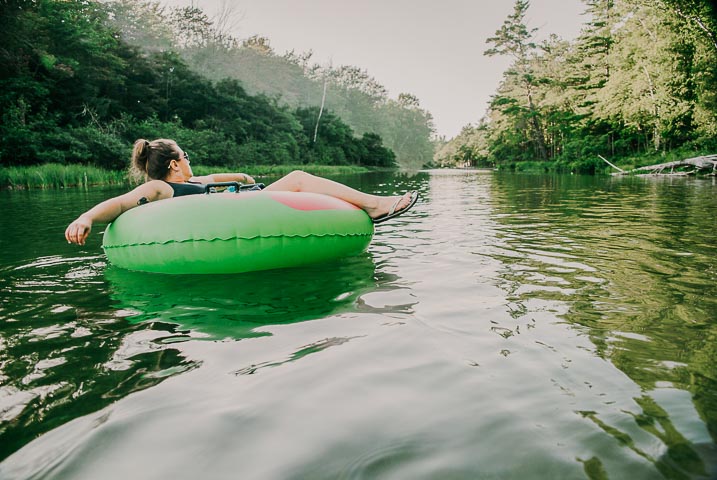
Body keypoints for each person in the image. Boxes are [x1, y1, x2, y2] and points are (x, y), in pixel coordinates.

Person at [65, 138, 419, 245]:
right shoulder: (159, 188)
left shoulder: (193, 183)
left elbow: (223, 176)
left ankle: (371, 205)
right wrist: (87, 217)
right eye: (185, 155)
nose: (190, 159)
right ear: (174, 164)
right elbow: (123, 202)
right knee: (297, 176)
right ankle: (375, 205)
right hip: (242, 210)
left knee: (296, 179)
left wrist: (245, 176)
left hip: (248, 198)